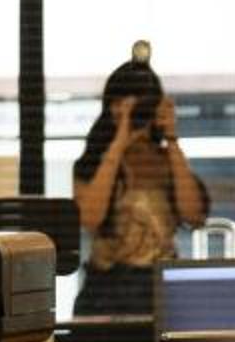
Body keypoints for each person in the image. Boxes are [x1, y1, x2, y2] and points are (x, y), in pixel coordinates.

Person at [69, 40, 207, 317]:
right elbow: (90, 219)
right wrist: (118, 144)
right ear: (110, 108)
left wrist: (172, 138)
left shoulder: (168, 161)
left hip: (161, 288)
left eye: (143, 107)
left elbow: (194, 216)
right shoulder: (93, 163)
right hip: (106, 290)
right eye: (124, 106)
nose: (135, 116)